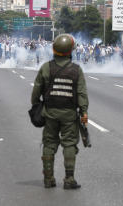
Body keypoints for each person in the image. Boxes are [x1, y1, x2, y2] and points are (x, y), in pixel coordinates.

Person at [31, 34, 89, 189]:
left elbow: (36, 91)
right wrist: (84, 112)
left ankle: (48, 179)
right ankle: (69, 179)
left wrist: (36, 106)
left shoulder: (46, 67)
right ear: (71, 50)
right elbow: (82, 94)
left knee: (49, 143)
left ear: (54, 49)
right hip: (69, 115)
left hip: (49, 113)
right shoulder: (76, 70)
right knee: (69, 144)